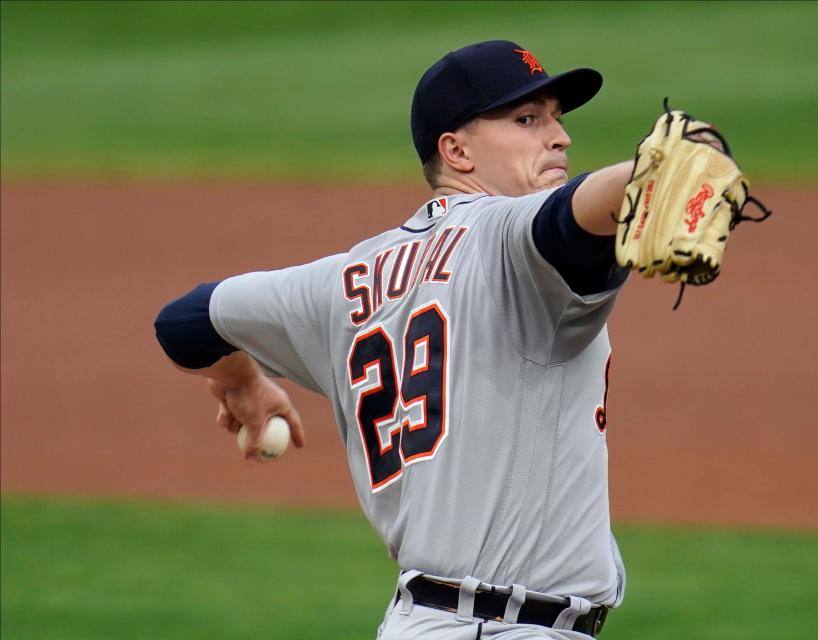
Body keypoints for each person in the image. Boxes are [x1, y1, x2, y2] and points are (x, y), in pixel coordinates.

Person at [155, 40, 638, 639]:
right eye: (527, 119)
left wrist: (241, 380)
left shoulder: (342, 280)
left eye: (557, 118)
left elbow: (183, 322)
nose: (559, 137)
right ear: (456, 150)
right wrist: (654, 173)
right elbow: (571, 218)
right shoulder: (509, 237)